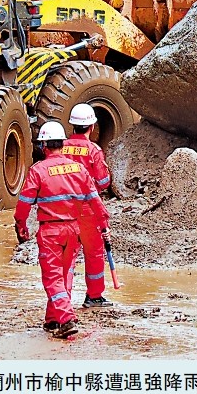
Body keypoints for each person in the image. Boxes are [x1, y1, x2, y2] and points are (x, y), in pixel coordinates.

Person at [15, 121, 102, 339]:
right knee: (65, 275)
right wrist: (103, 222)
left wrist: (21, 225)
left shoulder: (38, 171)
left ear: (43, 146)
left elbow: (24, 204)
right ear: (62, 145)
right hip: (74, 229)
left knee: (52, 278)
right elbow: (95, 200)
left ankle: (66, 318)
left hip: (51, 232)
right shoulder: (78, 168)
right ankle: (52, 319)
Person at [61, 103, 113, 308]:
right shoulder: (94, 150)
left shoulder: (60, 147)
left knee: (67, 255)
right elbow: (102, 182)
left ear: (73, 125)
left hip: (65, 209)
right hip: (89, 209)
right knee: (94, 253)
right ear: (92, 126)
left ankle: (63, 298)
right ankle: (94, 296)